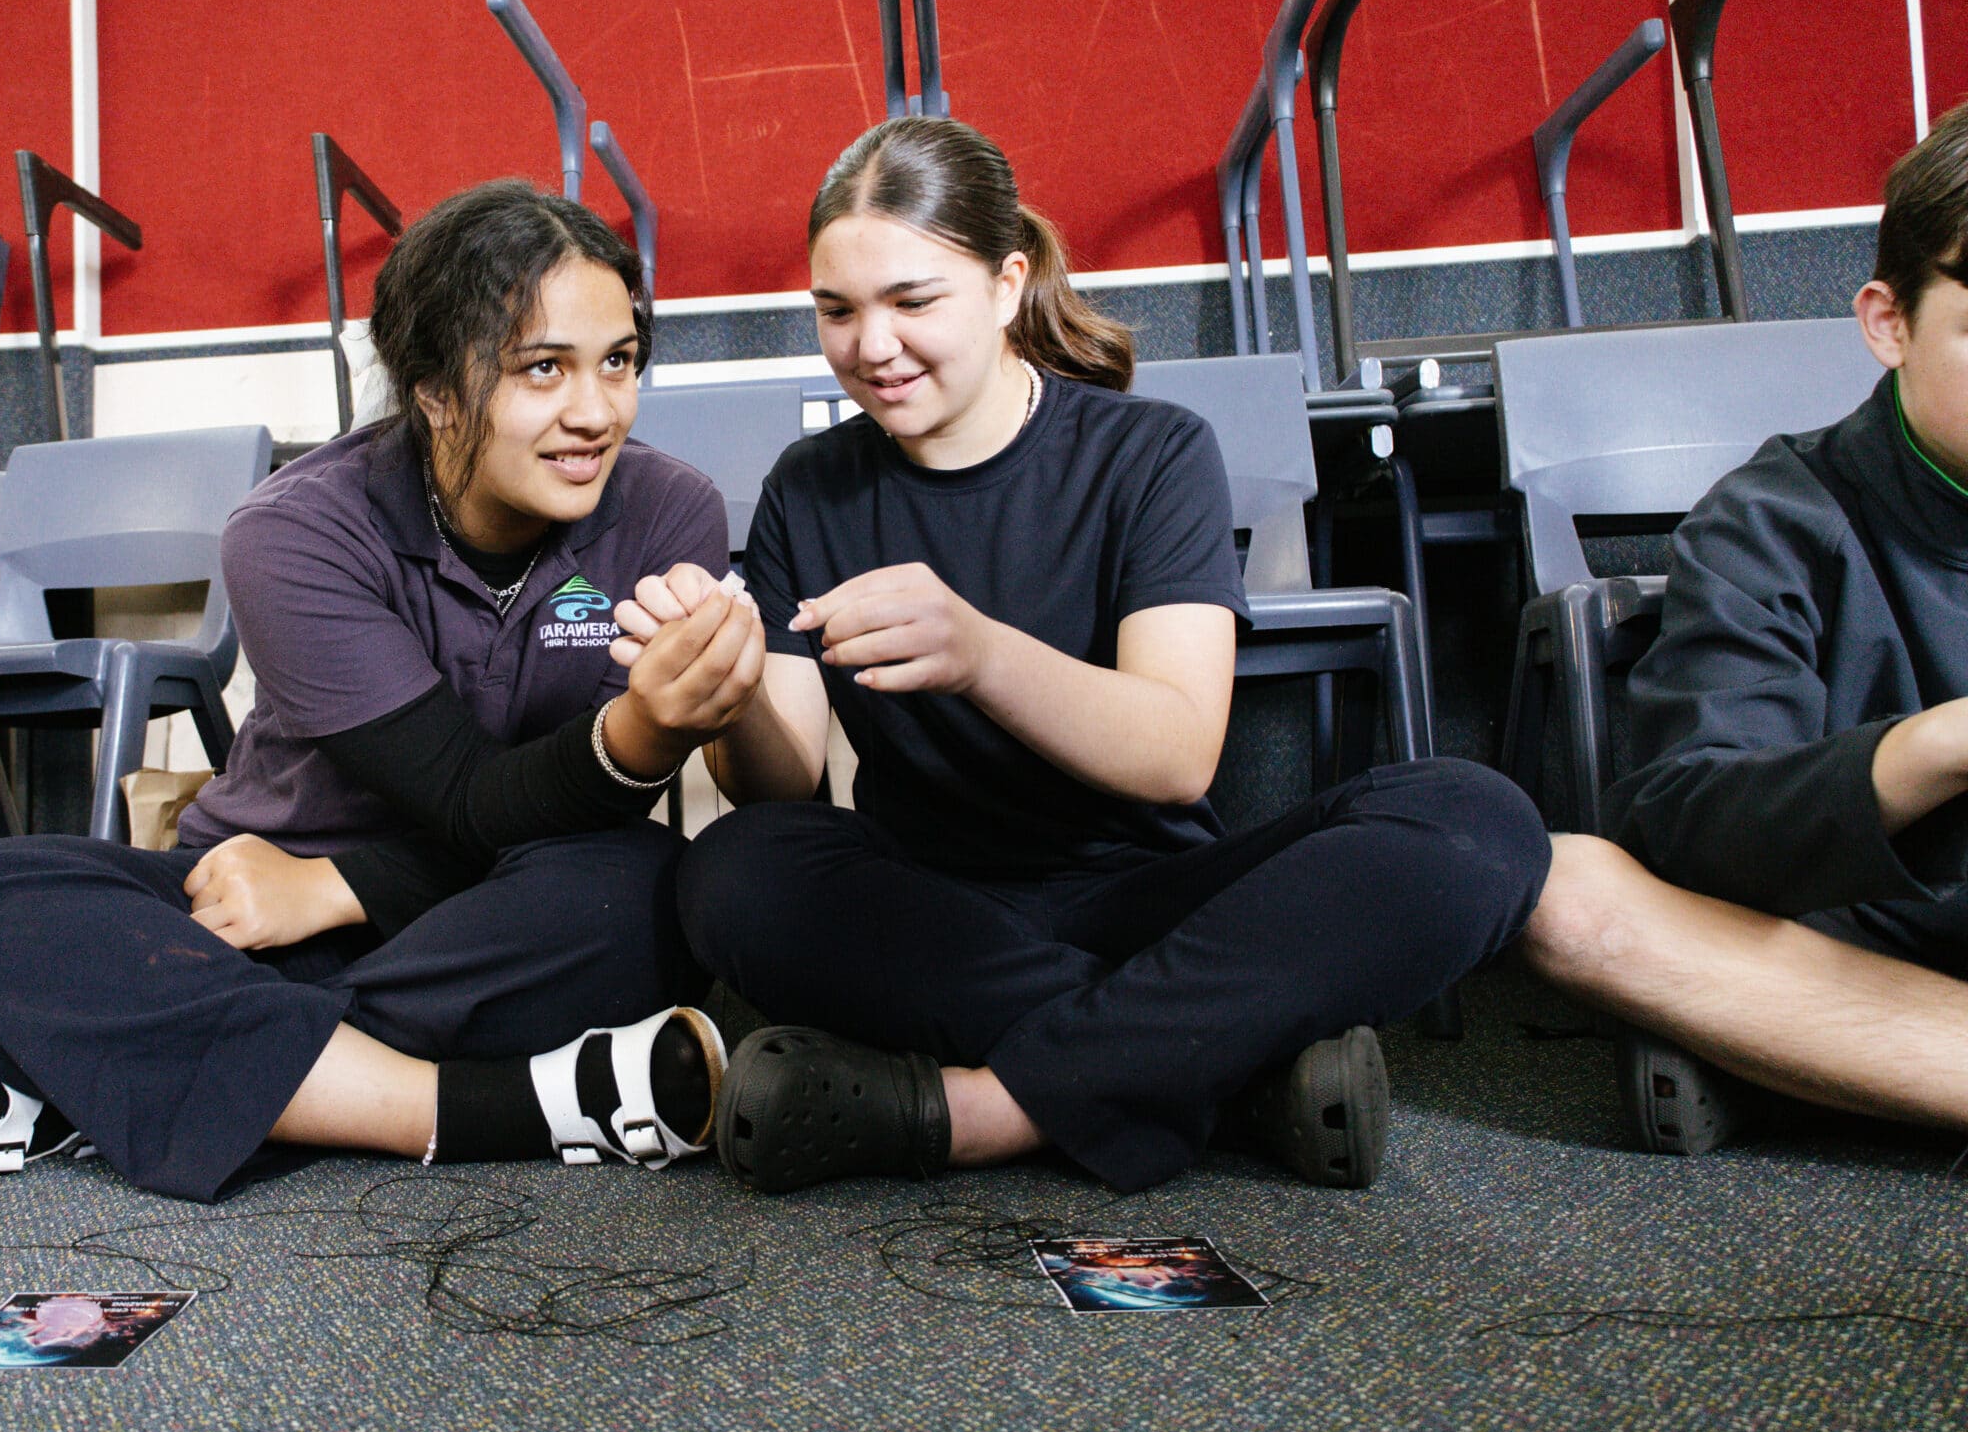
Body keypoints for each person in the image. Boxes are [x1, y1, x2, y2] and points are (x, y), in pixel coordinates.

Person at [650, 117, 1551, 1195]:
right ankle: (1223, 1062)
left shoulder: (1149, 451)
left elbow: (1175, 757)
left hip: (1151, 898)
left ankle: (977, 1111)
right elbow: (781, 782)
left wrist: (980, 653)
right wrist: (728, 694)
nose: (870, 347)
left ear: (1005, 282)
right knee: (730, 869)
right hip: (934, 917)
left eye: (911, 302)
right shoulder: (812, 484)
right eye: (837, 311)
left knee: (1475, 821)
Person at [0, 181, 763, 1202]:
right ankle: (496, 1104)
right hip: (250, 895)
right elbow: (471, 797)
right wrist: (635, 734)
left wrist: (339, 890)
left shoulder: (666, 509)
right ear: (432, 391)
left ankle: (114, 1078)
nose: (595, 411)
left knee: (642, 889)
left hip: (477, 909)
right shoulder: (294, 531)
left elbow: (548, 825)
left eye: (618, 362)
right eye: (542, 370)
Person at [1523, 102, 1968, 1153]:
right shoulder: (1772, 517)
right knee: (1565, 894)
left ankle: (1811, 1075)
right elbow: (1691, 823)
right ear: (1886, 321)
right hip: (1864, 953)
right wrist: (1941, 746)